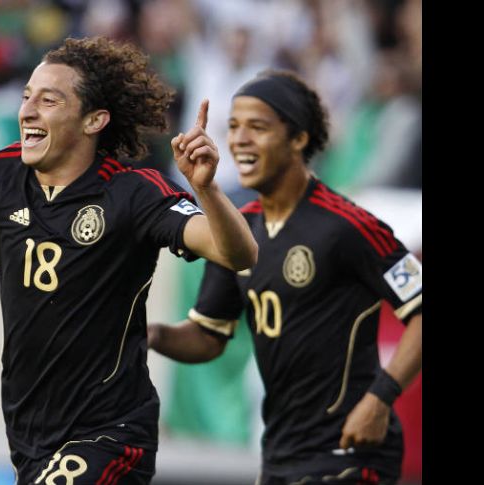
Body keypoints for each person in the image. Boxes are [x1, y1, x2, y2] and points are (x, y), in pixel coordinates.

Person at [0, 13, 257, 485]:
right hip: (31, 436)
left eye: (49, 100)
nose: (28, 111)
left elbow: (237, 253)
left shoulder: (135, 193)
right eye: (26, 97)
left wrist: (209, 191)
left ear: (94, 119)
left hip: (109, 433)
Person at [148, 69, 422, 485]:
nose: (239, 139)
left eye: (257, 127)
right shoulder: (237, 233)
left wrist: (379, 399)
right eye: (233, 127)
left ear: (299, 138)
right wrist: (151, 334)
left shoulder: (348, 226)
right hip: (280, 454)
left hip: (348, 452)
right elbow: (207, 337)